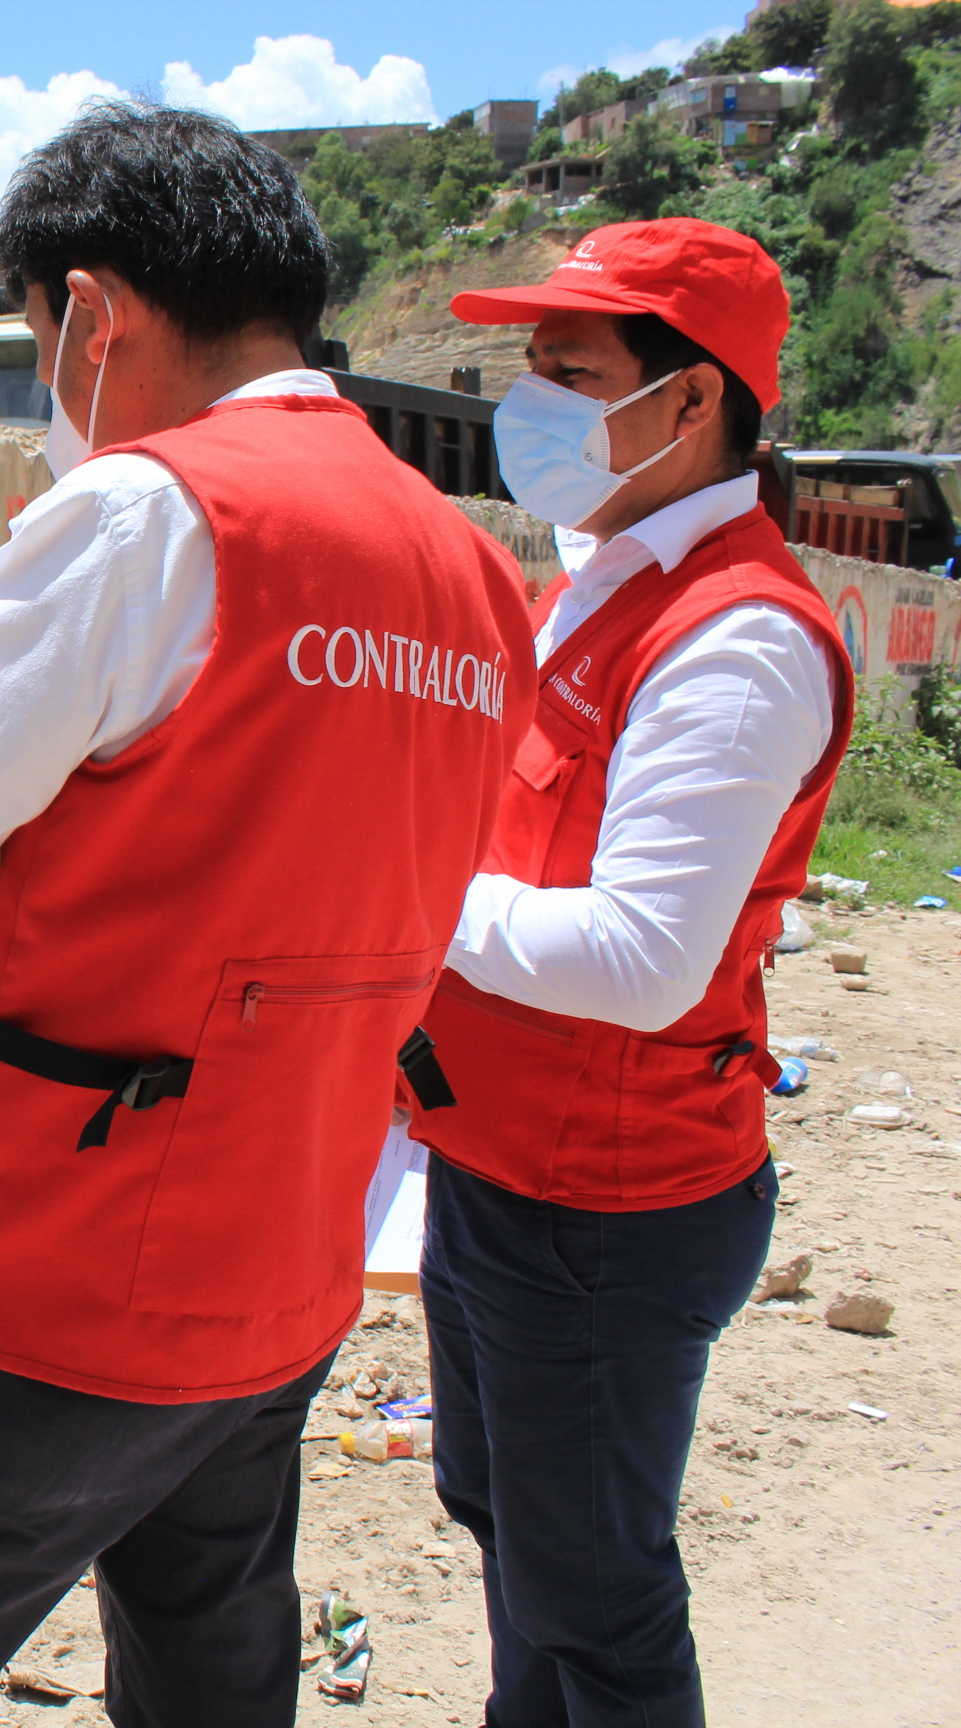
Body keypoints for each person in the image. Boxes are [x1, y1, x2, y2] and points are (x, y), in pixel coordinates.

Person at [0, 102, 535, 1728]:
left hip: (39, 1270)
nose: (51, 394)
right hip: (282, 1259)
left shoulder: (140, 517)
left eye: (43, 342)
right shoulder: (465, 571)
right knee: (207, 1676)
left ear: (93, 316)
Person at [409, 218, 850, 1728]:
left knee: (592, 1602)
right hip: (499, 1166)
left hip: (604, 1199)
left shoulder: (737, 642)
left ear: (690, 401)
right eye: (526, 367)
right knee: (514, 1539)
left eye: (569, 371)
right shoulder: (604, 577)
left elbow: (646, 959)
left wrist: (406, 893)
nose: (529, 402)